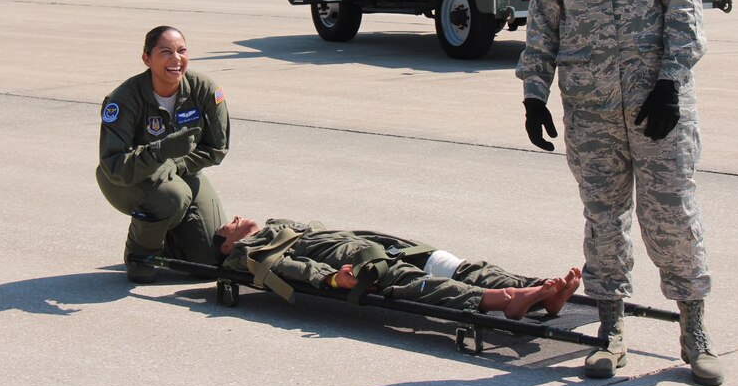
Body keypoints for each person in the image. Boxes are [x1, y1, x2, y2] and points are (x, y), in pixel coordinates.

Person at [515, 0, 722, 385]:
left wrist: (671, 84)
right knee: (603, 219)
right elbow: (544, 28)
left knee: (672, 216)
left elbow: (685, 18)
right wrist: (534, 92)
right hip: (591, 110)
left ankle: (694, 332)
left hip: (660, 109)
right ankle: (610, 330)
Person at [213, 216, 582, 320]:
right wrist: (331, 279)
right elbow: (289, 269)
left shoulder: (276, 224)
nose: (234, 218)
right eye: (227, 225)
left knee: (452, 265)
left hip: (380, 244)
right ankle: (505, 299)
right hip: (361, 264)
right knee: (421, 283)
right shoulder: (249, 254)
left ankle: (540, 289)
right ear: (227, 244)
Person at [96, 26, 230, 284]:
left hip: (184, 172)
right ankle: (139, 254)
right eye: (165, 52)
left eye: (181, 51)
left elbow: (217, 148)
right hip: (128, 179)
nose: (176, 59)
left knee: (208, 263)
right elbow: (114, 166)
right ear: (147, 58)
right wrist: (159, 152)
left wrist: (178, 163)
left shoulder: (204, 90)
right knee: (172, 196)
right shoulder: (123, 99)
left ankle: (163, 237)